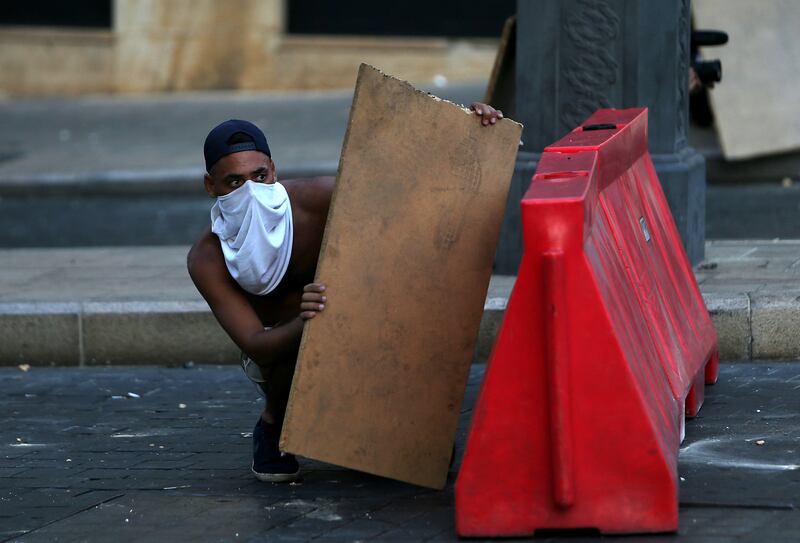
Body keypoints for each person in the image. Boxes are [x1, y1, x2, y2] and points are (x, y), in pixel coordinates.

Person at [187, 102, 504, 483]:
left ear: (274, 170)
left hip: (357, 316)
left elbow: (409, 191)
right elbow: (256, 343)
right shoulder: (207, 258)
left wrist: (469, 133)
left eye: (260, 175)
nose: (252, 191)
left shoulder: (318, 199)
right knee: (280, 358)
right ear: (211, 187)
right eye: (235, 183)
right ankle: (274, 422)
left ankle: (395, 421)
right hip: (282, 346)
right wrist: (309, 320)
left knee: (419, 439)